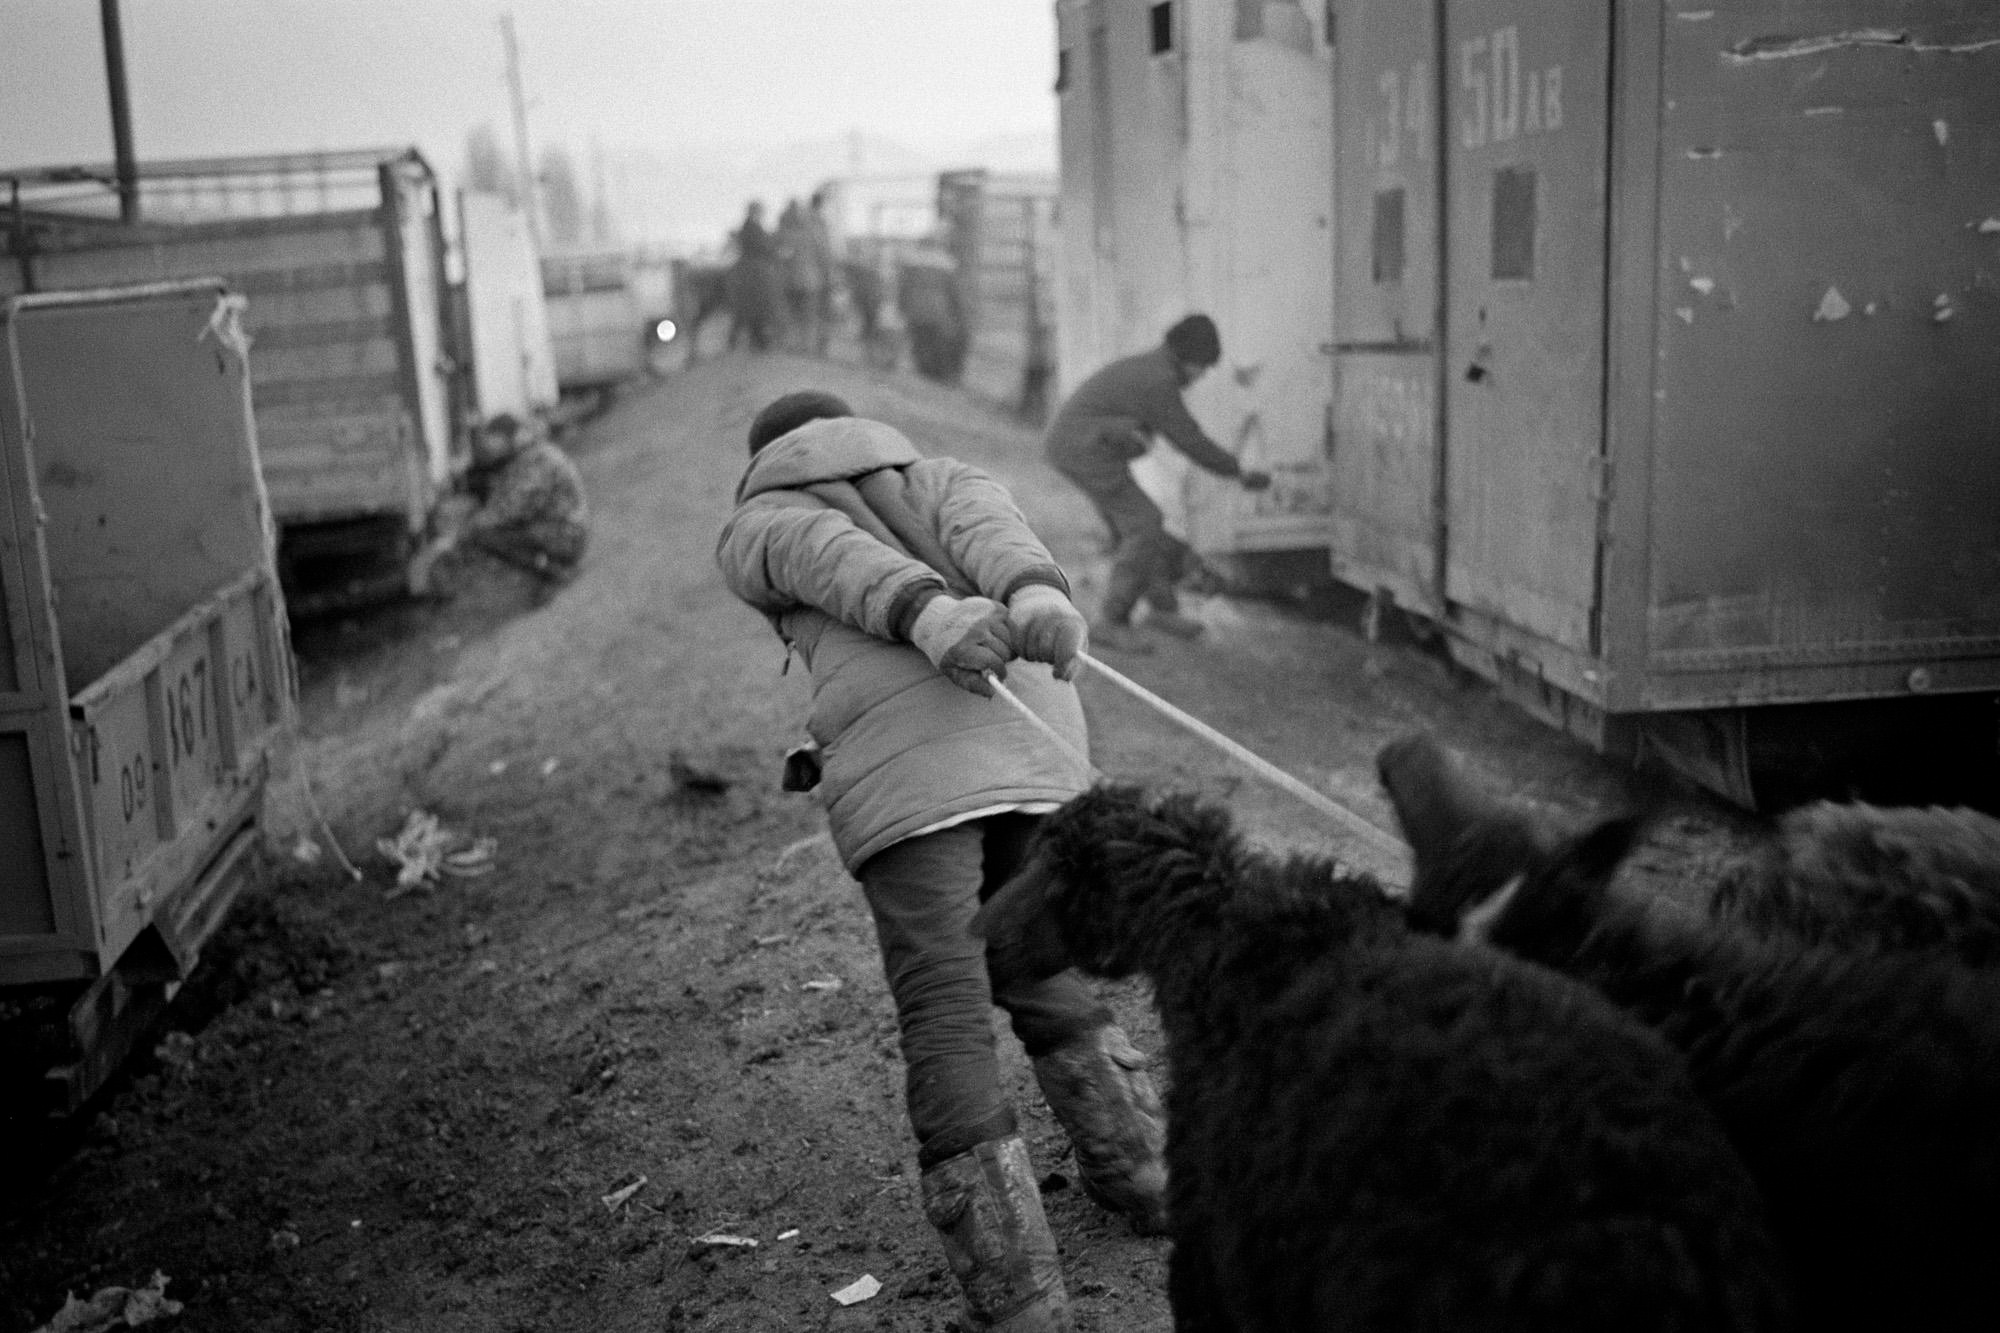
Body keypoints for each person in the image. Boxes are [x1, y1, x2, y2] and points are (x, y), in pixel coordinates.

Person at [716, 391, 1168, 1332]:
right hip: (1036, 737)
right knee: (1036, 957)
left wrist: (932, 614)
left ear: (767, 454)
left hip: (911, 779)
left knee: (946, 1008)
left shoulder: (758, 521)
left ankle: (1023, 1302)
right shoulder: (945, 475)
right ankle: (1147, 1174)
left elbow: (829, 559)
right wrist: (1037, 594)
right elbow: (994, 530)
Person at [1042, 314, 1271, 653]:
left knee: (1139, 527)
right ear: (1188, 357)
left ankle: (1162, 609)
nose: (1203, 375)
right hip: (1083, 450)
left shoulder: (1153, 368)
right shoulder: (1158, 380)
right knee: (1144, 523)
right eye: (1203, 366)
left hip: (1082, 445)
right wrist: (1237, 470)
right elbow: (1189, 438)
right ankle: (1112, 620)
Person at [455, 413, 589, 584]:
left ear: (509, 438)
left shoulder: (536, 459)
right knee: (492, 531)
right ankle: (546, 569)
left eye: (496, 442)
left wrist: (467, 527)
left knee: (487, 535)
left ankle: (553, 571)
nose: (491, 450)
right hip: (562, 526)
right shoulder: (529, 454)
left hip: (567, 533)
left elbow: (510, 510)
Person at [726, 201, 781, 351]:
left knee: (751, 308)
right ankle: (759, 341)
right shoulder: (753, 228)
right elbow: (763, 247)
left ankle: (753, 340)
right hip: (756, 273)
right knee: (759, 306)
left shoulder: (747, 227)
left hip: (749, 272)